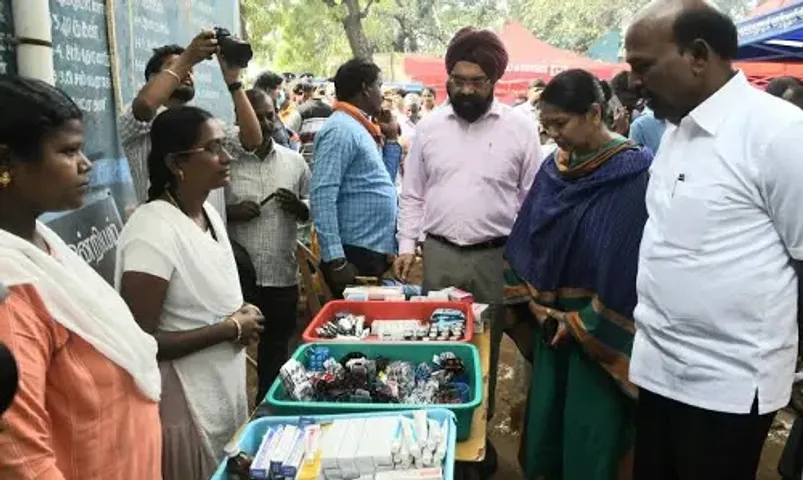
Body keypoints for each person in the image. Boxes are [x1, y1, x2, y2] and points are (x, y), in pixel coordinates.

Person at [625, 3, 803, 479]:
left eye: (644, 66)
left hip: (728, 385)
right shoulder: (675, 130)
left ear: (697, 56)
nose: (634, 81)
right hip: (660, 369)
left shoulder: (779, 133)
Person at [393, 27, 542, 471]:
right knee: (435, 343)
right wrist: (406, 245)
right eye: (458, 80)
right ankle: (438, 435)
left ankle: (478, 436)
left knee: (485, 348)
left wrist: (527, 260)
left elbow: (533, 198)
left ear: (494, 81)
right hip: (439, 256)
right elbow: (413, 193)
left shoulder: (520, 128)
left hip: (497, 259)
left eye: (476, 81)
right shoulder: (429, 128)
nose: (466, 89)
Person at [0, 75, 162, 479]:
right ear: (6, 165)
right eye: (68, 151)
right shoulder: (9, 295)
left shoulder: (41, 242)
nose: (86, 163)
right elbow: (22, 462)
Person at [504, 69, 653, 480]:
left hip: (601, 332)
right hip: (549, 327)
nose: (553, 135)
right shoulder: (554, 169)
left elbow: (632, 265)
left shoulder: (635, 175)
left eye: (560, 124)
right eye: (546, 125)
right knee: (546, 430)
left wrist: (581, 322)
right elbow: (528, 236)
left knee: (591, 436)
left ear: (593, 112)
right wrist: (533, 304)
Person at [116, 106, 264, 480]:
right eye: (213, 148)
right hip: (184, 401)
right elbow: (140, 340)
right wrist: (230, 328)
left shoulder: (208, 215)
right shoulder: (151, 229)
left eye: (224, 145)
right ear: (175, 162)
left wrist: (237, 312)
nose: (227, 157)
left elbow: (209, 296)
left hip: (222, 383)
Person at [225, 89, 311, 404]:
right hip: (236, 279)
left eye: (268, 114)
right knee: (230, 352)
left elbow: (311, 205)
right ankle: (236, 412)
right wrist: (232, 212)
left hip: (281, 276)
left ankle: (268, 409)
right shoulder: (224, 162)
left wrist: (300, 207)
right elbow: (204, 212)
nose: (263, 122)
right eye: (255, 114)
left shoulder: (294, 162)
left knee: (276, 352)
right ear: (238, 117)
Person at [118, 32, 261, 217]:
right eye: (176, 67)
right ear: (154, 79)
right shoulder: (139, 121)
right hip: (163, 233)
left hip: (208, 235)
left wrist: (233, 81)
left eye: (192, 70)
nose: (187, 73)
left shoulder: (205, 125)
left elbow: (252, 140)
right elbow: (145, 104)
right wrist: (189, 57)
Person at [311, 58, 402, 297]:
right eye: (379, 86)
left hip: (370, 251)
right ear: (365, 88)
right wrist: (336, 259)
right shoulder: (340, 129)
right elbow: (322, 195)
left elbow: (383, 181)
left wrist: (391, 138)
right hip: (353, 254)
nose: (382, 94)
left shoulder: (360, 128)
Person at [285, 80, 334, 167]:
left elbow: (286, 135)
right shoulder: (331, 111)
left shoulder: (300, 111)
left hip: (306, 165)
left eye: (294, 99)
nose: (294, 102)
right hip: (328, 164)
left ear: (302, 94)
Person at [255, 70, 295, 148]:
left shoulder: (273, 111)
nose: (280, 93)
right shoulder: (262, 113)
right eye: (278, 89)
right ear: (268, 89)